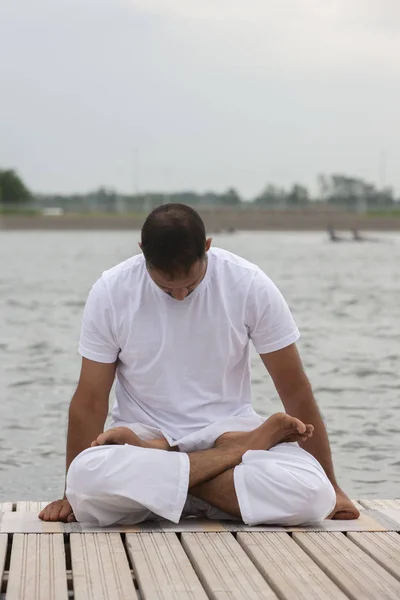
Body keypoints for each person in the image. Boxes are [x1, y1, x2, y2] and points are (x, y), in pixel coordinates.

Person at [40, 204, 359, 526]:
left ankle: (171, 476)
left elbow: (294, 387)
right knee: (85, 481)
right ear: (142, 253)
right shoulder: (112, 291)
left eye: (190, 286)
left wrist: (333, 486)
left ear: (207, 246)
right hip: (146, 438)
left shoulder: (248, 283)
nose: (179, 296)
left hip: (224, 430)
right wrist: (71, 495)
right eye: (167, 288)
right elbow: (91, 399)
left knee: (313, 495)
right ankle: (223, 459)